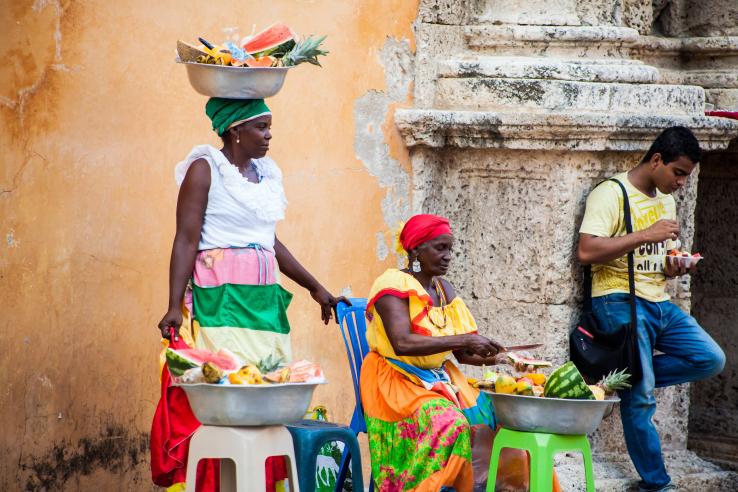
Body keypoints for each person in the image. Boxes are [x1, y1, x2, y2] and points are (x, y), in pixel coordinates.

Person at [151, 97, 347, 492]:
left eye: (269, 126)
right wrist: (174, 305)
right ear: (235, 130)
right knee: (229, 397)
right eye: (261, 127)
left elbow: (269, 242)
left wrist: (315, 287)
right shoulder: (205, 169)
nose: (269, 135)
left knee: (264, 394)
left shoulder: (265, 174)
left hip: (265, 304)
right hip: (220, 300)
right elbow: (186, 240)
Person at [360, 214, 561, 492]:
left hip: (439, 378)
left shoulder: (444, 289)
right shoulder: (392, 285)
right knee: (451, 423)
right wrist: (466, 338)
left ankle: (500, 484)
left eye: (450, 249)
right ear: (416, 250)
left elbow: (465, 355)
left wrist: (506, 358)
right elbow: (402, 343)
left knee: (506, 414)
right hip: (396, 380)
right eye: (440, 248)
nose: (448, 256)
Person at [577, 126, 726, 492]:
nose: (681, 183)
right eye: (678, 173)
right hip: (618, 300)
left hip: (659, 301)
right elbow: (587, 251)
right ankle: (658, 484)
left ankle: (628, 378)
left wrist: (675, 265)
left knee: (710, 359)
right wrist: (646, 234)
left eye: (686, 176)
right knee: (642, 398)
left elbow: (658, 259)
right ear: (656, 159)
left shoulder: (666, 200)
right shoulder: (612, 193)